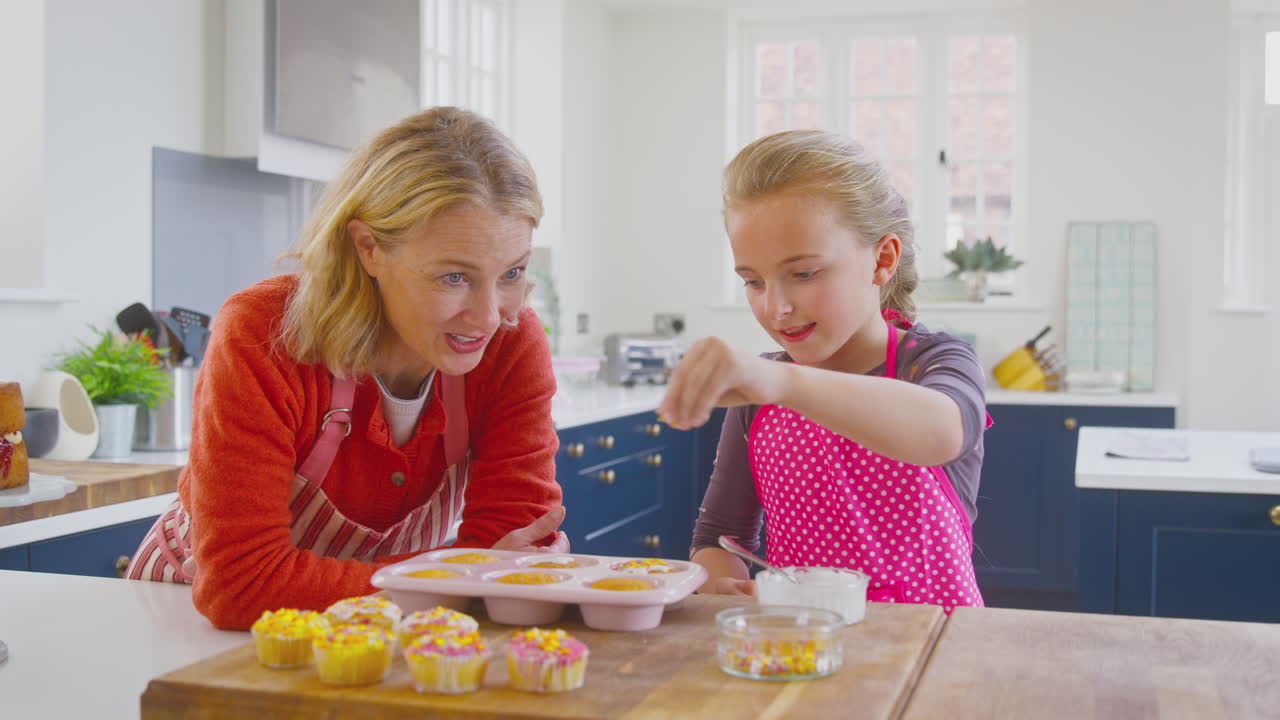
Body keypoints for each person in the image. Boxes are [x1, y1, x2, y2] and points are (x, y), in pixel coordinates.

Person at [126, 107, 567, 629]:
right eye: (453, 277)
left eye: (512, 272)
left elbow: (516, 560)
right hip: (196, 630)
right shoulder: (265, 335)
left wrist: (460, 578)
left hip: (389, 629)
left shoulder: (510, 345)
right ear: (369, 248)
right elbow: (240, 585)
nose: (489, 315)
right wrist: (459, 576)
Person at [661, 129, 990, 611]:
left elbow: (941, 432)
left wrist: (777, 382)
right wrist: (719, 581)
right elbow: (718, 536)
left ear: (882, 259)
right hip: (807, 649)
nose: (776, 308)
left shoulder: (934, 362)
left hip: (935, 652)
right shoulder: (762, 391)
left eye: (804, 273)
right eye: (753, 281)